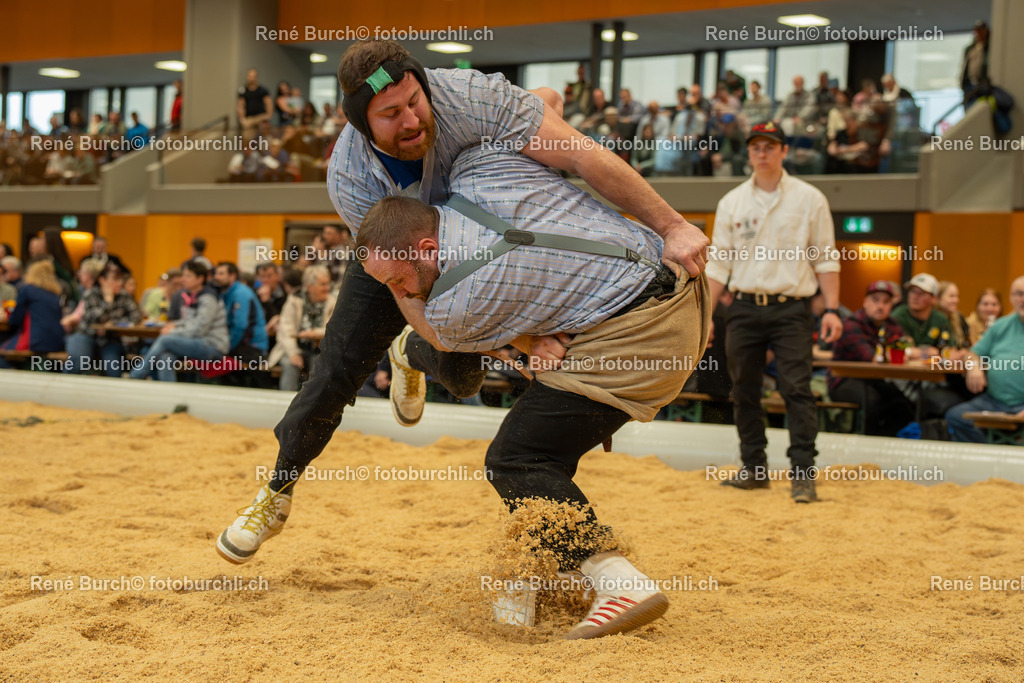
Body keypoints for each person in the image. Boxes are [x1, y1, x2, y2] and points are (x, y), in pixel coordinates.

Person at [215, 39, 708, 568]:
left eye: (415, 102)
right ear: (361, 125)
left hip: (492, 235)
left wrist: (672, 225)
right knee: (340, 366)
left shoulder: (472, 96)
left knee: (465, 376)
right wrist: (522, 342)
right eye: (391, 115)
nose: (411, 120)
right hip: (404, 254)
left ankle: (414, 357)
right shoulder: (350, 175)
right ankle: (276, 490)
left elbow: (579, 152)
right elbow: (402, 286)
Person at [355, 144, 710, 640]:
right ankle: (531, 574)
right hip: (683, 283)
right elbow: (556, 117)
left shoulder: (457, 305)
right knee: (547, 452)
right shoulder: (484, 167)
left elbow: (446, 340)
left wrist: (521, 343)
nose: (402, 294)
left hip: (638, 340)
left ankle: (617, 581)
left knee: (517, 459)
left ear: (428, 249)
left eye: (398, 281)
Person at [706, 121, 843, 502]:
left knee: (797, 389)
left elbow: (826, 257)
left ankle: (803, 474)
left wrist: (832, 310)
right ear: (749, 152)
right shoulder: (731, 202)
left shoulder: (810, 198)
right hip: (743, 308)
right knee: (744, 390)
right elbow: (718, 265)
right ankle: (754, 469)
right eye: (756, 147)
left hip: (792, 309)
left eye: (770, 146)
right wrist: (706, 317)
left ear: (784, 150)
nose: (762, 153)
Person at [828, 281, 914, 436]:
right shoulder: (851, 324)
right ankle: (867, 441)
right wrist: (901, 352)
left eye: (886, 302)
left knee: (903, 404)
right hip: (844, 380)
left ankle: (888, 442)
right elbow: (872, 357)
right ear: (865, 302)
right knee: (874, 402)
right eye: (875, 300)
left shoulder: (891, 323)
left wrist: (904, 351)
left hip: (875, 379)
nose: (880, 306)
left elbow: (908, 344)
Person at [946, 275, 1024, 442]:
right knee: (956, 416)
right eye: (1019, 294)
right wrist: (974, 367)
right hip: (994, 402)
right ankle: (990, 451)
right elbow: (972, 353)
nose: (1023, 299)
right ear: (1011, 298)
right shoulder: (1001, 326)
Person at [129, 260, 228, 382]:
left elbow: (199, 330)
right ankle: (168, 391)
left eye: (188, 276)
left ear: (200, 279)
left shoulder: (208, 298)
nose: (183, 279)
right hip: (199, 342)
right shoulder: (194, 295)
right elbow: (189, 321)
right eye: (183, 275)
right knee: (166, 357)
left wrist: (172, 331)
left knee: (165, 340)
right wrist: (174, 324)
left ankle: (135, 376)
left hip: (213, 346)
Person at [64, 262, 141, 376]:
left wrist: (113, 323)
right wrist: (108, 301)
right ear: (102, 280)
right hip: (87, 335)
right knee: (77, 360)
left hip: (111, 338)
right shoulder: (91, 294)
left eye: (120, 279)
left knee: (113, 368)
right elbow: (92, 318)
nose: (119, 283)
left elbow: (136, 317)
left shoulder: (124, 296)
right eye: (115, 279)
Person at [267, 265, 336, 391]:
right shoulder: (294, 300)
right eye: (323, 284)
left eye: (328, 284)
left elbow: (335, 329)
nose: (327, 288)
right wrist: (293, 353)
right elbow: (285, 330)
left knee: (319, 366)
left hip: (320, 349)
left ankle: (314, 400)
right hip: (294, 347)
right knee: (290, 364)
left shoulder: (333, 302)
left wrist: (316, 333)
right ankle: (287, 399)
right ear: (309, 286)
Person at [0, 261, 65, 366]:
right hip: (57, 341)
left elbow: (15, 319)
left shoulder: (27, 290)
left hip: (35, 340)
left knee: (3, 354)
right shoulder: (55, 294)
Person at [237, 69, 272, 140]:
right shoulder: (243, 91)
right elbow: (240, 105)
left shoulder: (263, 90)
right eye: (250, 76)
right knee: (246, 139)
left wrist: (268, 116)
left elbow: (269, 103)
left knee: (265, 138)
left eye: (253, 76)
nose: (251, 78)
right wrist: (242, 118)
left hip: (261, 117)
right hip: (249, 118)